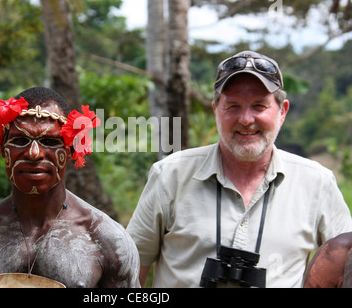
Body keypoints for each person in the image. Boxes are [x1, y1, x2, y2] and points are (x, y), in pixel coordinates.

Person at [126, 50, 352, 288]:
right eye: (233, 106)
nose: (245, 119)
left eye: (259, 106)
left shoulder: (317, 182)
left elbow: (346, 261)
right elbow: (130, 272)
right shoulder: (169, 175)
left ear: (282, 111)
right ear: (215, 110)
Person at [0, 87, 140, 288]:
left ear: (70, 151)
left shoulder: (107, 241)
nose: (34, 153)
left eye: (50, 141)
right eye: (21, 140)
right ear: (4, 149)